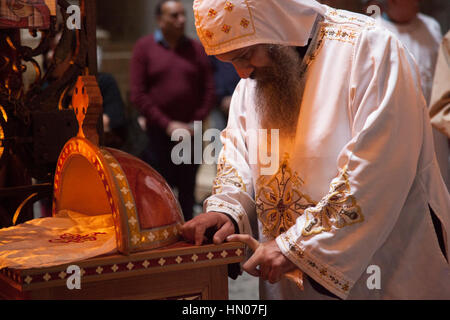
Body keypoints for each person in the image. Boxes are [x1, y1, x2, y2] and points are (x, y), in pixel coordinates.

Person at [182, 0, 450, 299]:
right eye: (229, 61)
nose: (242, 74)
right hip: (282, 273)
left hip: (377, 270)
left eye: (244, 55)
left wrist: (298, 247)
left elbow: (379, 170)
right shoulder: (256, 80)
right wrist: (226, 211)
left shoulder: (369, 49)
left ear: (277, 22)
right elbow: (239, 157)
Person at [130, 0, 216, 221]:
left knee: (188, 191)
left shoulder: (196, 49)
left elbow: (208, 89)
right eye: (175, 16)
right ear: (160, 20)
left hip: (191, 134)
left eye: (183, 15)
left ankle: (188, 240)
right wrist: (167, 124)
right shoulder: (144, 47)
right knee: (160, 189)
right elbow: (137, 93)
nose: (182, 20)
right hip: (159, 134)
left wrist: (193, 123)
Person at [376, 0, 449, 189]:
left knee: (438, 184)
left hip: (433, 129)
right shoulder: (376, 31)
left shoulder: (431, 27)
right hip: (399, 128)